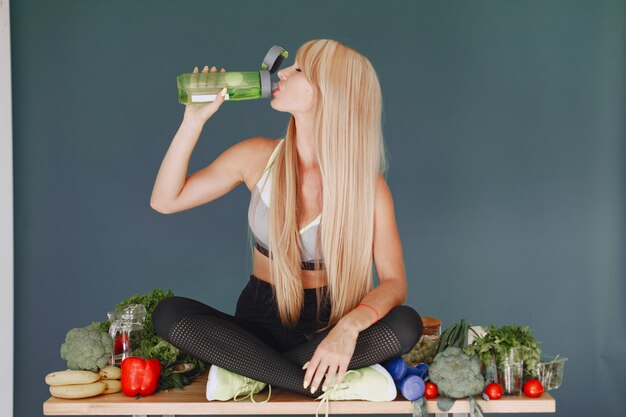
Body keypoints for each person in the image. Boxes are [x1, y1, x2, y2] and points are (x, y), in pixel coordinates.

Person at [150, 39, 423, 408]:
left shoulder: (368, 188)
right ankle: (313, 381)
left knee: (406, 323)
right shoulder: (257, 155)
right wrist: (192, 122)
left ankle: (253, 373)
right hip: (255, 327)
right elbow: (165, 200)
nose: (281, 72)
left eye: (297, 69)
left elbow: (394, 283)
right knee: (169, 313)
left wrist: (347, 329)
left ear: (329, 92)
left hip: (326, 331)